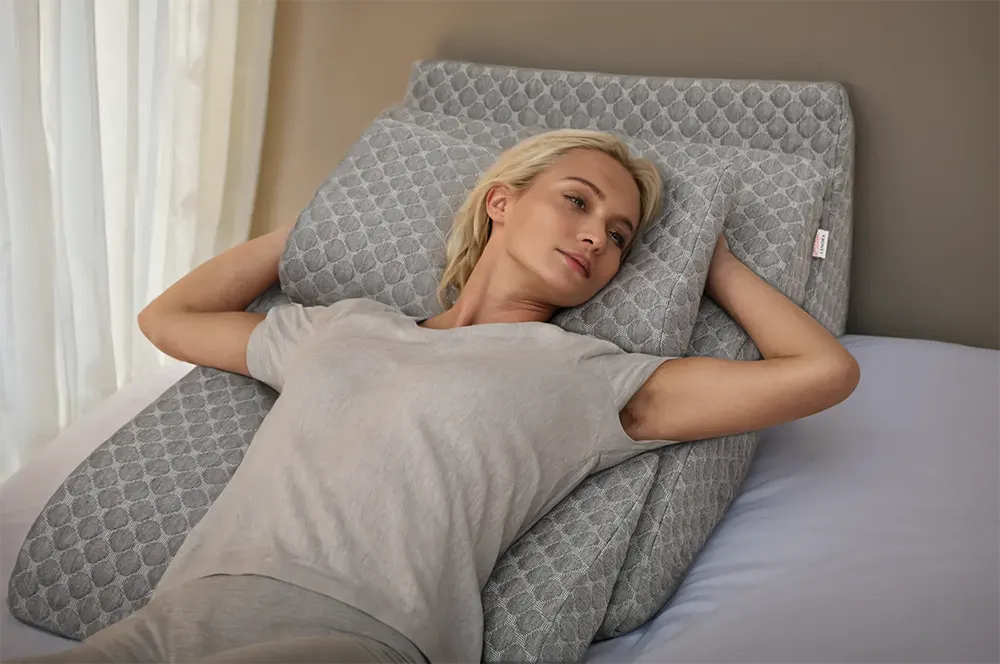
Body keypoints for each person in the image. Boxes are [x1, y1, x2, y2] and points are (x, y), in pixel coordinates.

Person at [8, 130, 860, 664]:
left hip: (355, 636)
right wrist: (325, 221)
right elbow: (170, 318)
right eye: (578, 200)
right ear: (501, 202)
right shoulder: (341, 327)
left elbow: (822, 373)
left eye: (622, 234)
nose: (599, 233)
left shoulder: (588, 374)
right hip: (172, 616)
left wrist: (706, 256)